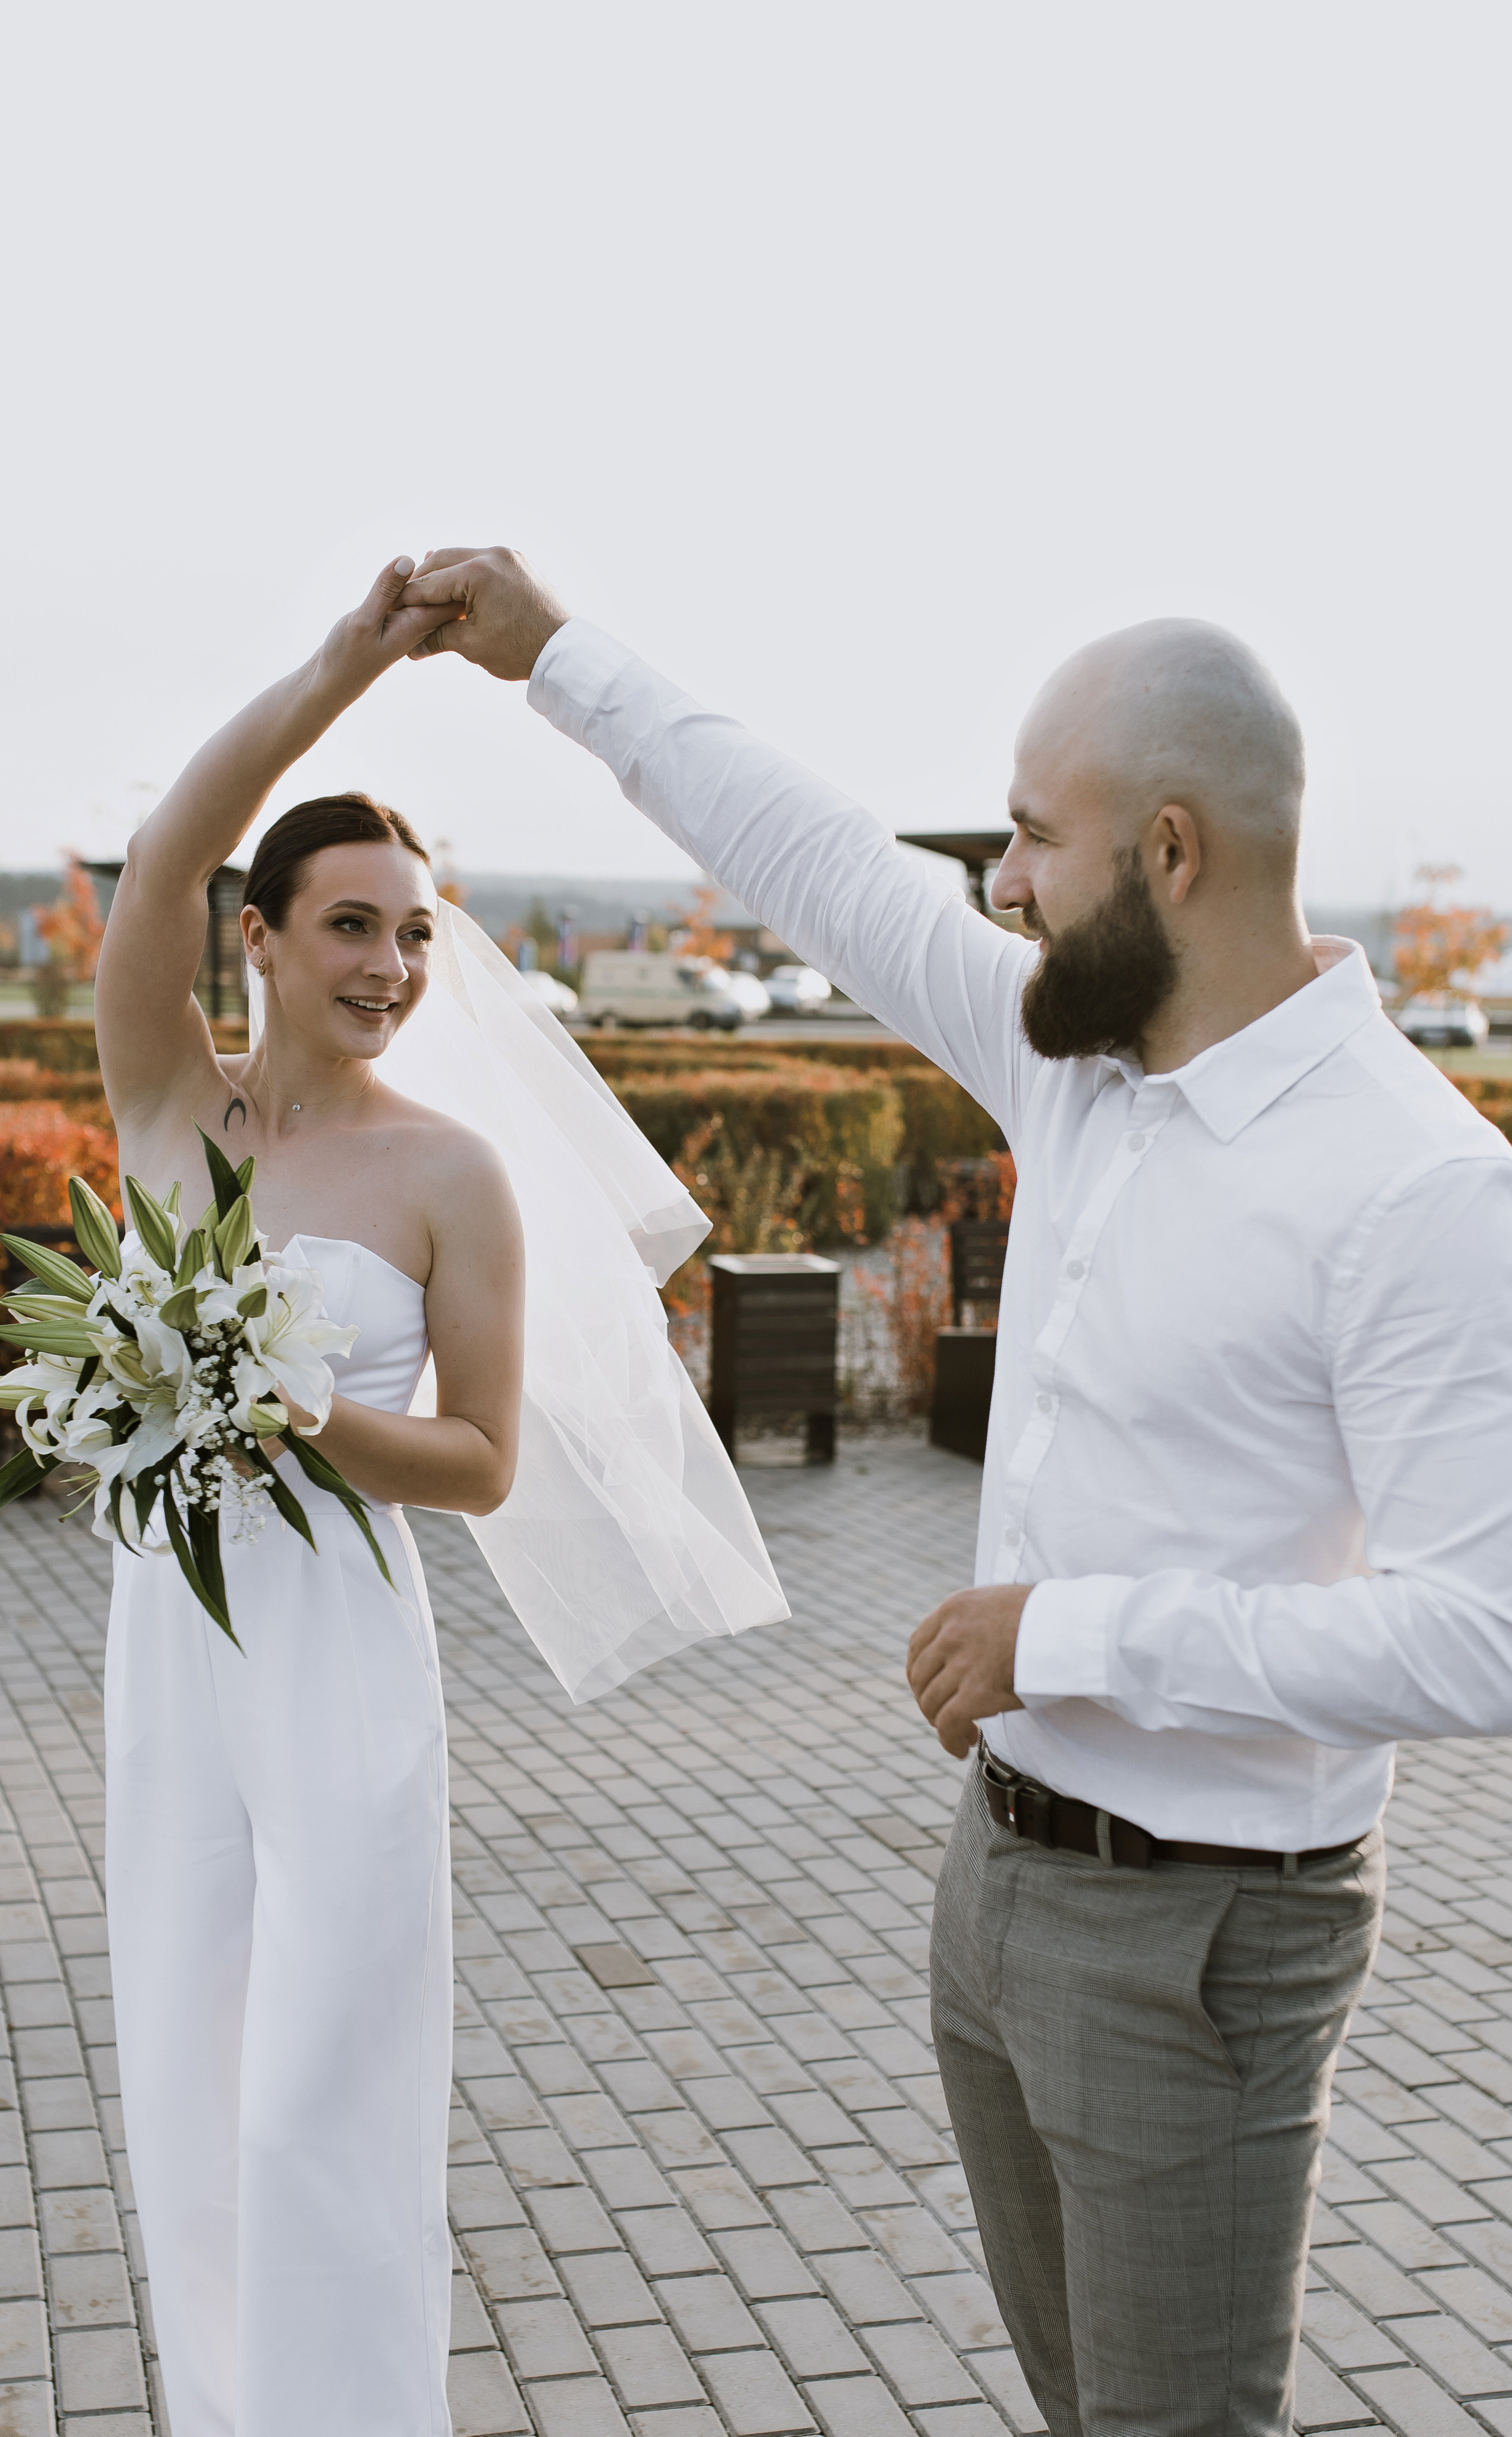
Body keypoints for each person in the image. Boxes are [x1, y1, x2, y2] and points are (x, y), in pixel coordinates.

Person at [400, 546, 1512, 2437]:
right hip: (1000, 1880)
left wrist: (1068, 1633)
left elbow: (1481, 1643)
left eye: (1034, 839)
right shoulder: (1082, 1071)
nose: (999, 885)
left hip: (1206, 1941)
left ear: (1171, 852)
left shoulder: (1420, 1193)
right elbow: (823, 862)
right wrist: (555, 656)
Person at [95, 558, 786, 2437]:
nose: (392, 968)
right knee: (181, 2041)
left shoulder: (452, 1176)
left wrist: (287, 1409)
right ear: (256, 936)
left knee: (331, 2065)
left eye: (415, 933)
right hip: (176, 1633)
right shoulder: (174, 1106)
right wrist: (342, 667)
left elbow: (477, 1466)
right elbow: (162, 849)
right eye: (349, 927)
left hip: (338, 1637)